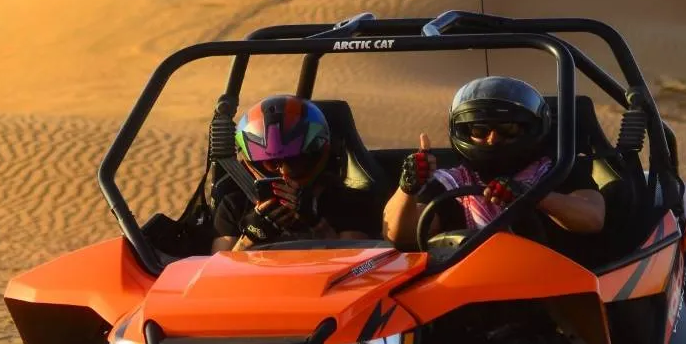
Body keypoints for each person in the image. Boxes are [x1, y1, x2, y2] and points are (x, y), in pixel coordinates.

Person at [382, 76, 605, 260]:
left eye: (508, 129)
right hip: (465, 292)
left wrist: (532, 195)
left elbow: (592, 217)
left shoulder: (555, 171)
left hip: (553, 289)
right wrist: (407, 189)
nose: (492, 139)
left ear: (530, 129)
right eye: (479, 130)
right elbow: (400, 235)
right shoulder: (452, 183)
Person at [211, 95, 379, 252]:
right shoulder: (234, 206)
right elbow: (216, 273)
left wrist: (316, 223)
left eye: (294, 162)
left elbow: (355, 263)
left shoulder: (348, 203)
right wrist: (251, 236)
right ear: (253, 163)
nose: (284, 172)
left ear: (316, 155)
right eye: (271, 163)